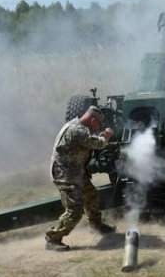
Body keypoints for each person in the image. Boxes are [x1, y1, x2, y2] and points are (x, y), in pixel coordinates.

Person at [45, 106, 116, 251]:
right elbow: (98, 144)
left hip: (75, 171)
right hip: (65, 174)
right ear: (92, 119)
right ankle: (53, 239)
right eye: (97, 124)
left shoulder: (75, 125)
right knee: (75, 210)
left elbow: (83, 145)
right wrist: (106, 136)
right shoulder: (78, 130)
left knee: (91, 195)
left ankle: (97, 225)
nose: (97, 127)